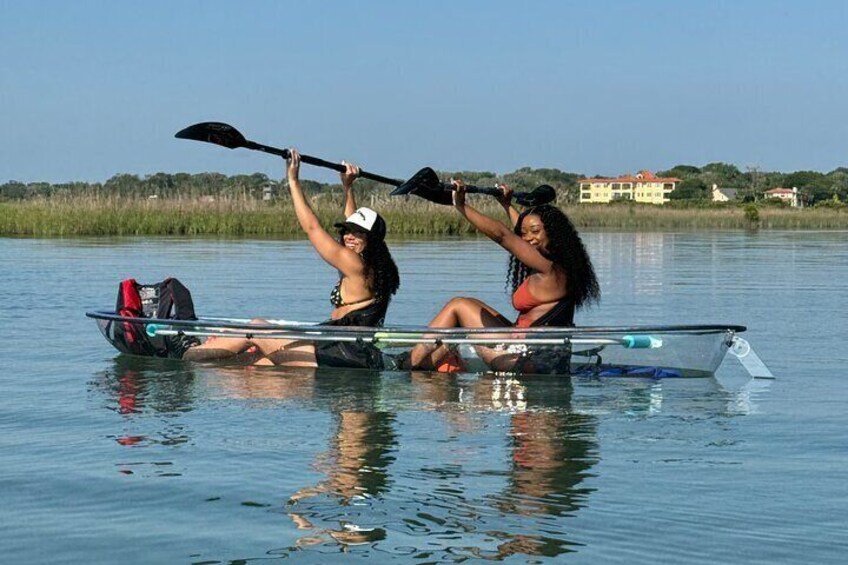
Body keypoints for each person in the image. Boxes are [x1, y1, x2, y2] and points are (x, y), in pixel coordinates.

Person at [184, 150, 400, 368]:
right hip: (346, 352)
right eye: (346, 231)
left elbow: (312, 227)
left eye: (357, 234)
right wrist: (347, 187)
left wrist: (293, 180)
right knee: (256, 365)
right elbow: (353, 222)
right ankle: (205, 369)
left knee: (256, 328)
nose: (349, 237)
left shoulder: (354, 264)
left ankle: (185, 353)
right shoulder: (373, 266)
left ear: (371, 240)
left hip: (337, 354)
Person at [406, 180, 600, 374]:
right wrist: (506, 205)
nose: (528, 238)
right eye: (524, 234)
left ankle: (409, 365)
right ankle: (422, 363)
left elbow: (504, 236)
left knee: (458, 306)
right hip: (536, 355)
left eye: (536, 232)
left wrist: (460, 205)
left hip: (524, 360)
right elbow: (520, 234)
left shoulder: (549, 268)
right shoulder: (561, 264)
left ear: (553, 233)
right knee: (468, 303)